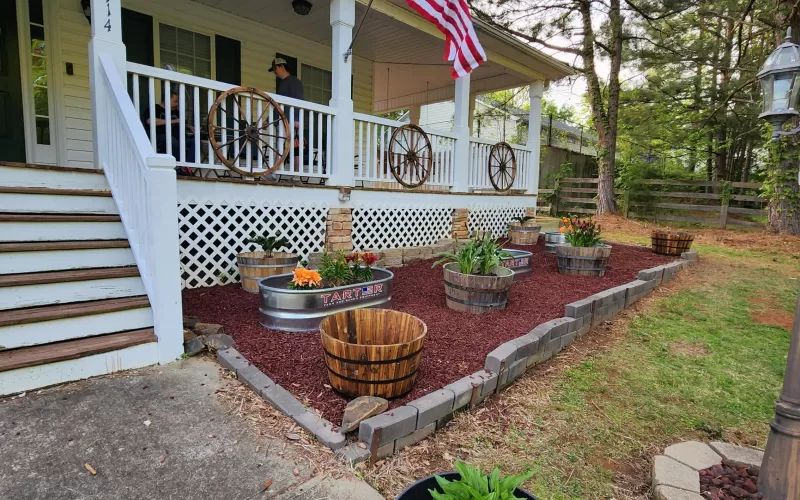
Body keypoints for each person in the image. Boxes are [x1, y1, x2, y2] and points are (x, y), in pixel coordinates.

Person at [143, 89, 195, 170]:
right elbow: (150, 121)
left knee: (195, 142)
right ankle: (177, 167)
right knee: (172, 141)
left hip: (178, 139)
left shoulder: (176, 112)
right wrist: (174, 121)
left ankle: (187, 168)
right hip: (160, 138)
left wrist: (188, 126)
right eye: (175, 101)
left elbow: (183, 123)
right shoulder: (155, 108)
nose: (177, 104)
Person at [269, 58, 306, 173]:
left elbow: (298, 101)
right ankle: (275, 173)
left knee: (295, 147)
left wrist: (295, 119)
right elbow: (279, 105)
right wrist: (269, 119)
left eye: (275, 69)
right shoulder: (283, 83)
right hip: (282, 120)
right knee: (281, 146)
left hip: (291, 120)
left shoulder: (294, 81)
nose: (275, 73)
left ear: (281, 67)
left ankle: (294, 175)